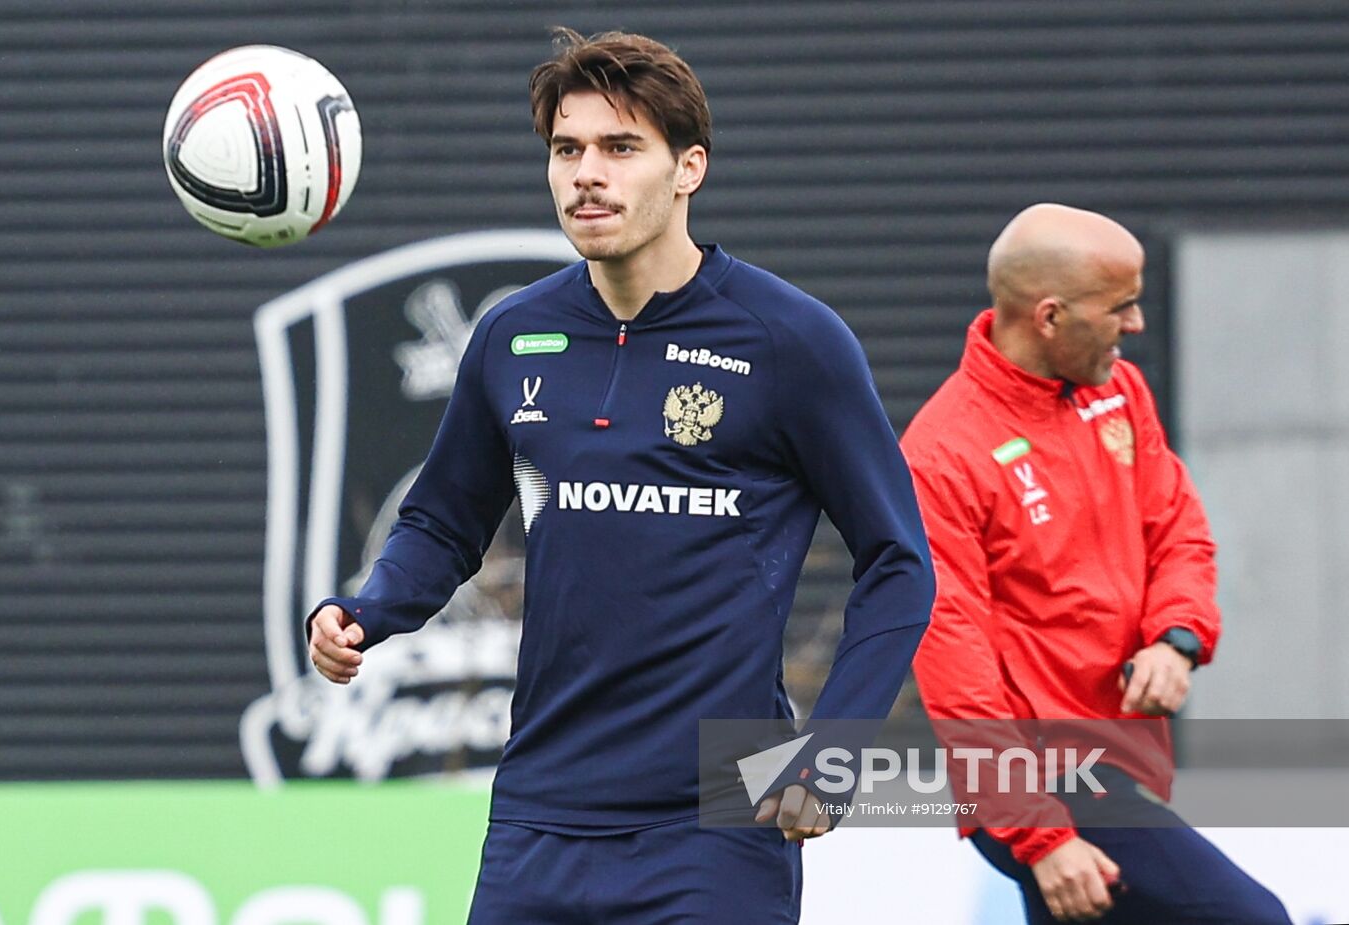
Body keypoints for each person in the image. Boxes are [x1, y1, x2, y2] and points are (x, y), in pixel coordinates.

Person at [306, 28, 935, 924]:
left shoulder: (791, 341)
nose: (585, 174)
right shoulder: (511, 334)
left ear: (690, 169)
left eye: (620, 148)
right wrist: (365, 611)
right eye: (568, 149)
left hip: (716, 826)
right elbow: (444, 524)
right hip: (540, 819)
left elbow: (898, 558)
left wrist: (833, 750)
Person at [902, 203, 1290, 923]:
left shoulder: (1119, 392)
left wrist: (1176, 637)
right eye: (1122, 306)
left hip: (1120, 760)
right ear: (1049, 316)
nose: (1136, 324)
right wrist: (1043, 835)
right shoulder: (941, 457)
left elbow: (1177, 530)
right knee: (1252, 917)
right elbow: (955, 671)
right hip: (1043, 783)